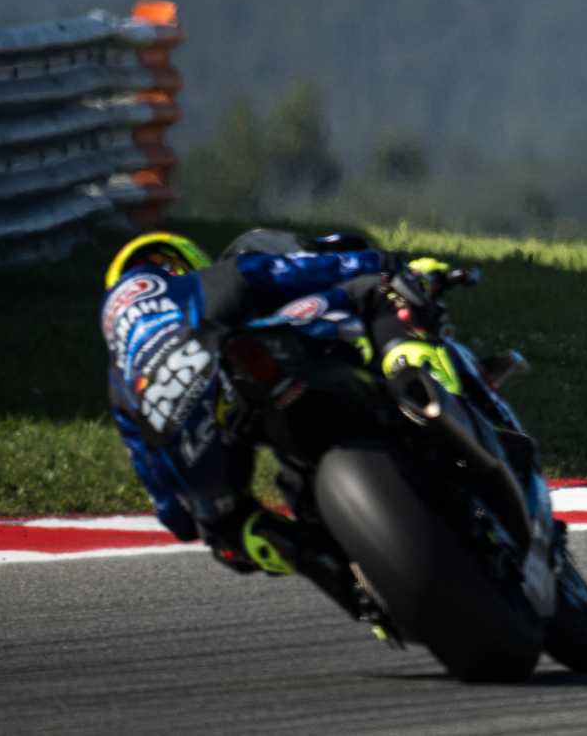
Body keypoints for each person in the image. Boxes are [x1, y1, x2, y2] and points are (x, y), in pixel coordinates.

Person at [99, 228, 462, 626]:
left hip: (183, 431)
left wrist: (196, 520)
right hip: (240, 363)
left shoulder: (120, 381)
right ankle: (433, 394)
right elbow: (281, 271)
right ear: (176, 267)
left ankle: (345, 577)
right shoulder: (201, 285)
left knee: (230, 534)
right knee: (374, 290)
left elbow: (168, 505)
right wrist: (386, 263)